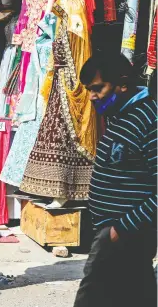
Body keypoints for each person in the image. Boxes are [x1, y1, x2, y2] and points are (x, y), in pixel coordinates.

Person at [73, 52, 157, 307]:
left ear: (122, 84)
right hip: (114, 231)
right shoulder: (122, 115)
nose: (92, 97)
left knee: (90, 298)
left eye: (98, 89)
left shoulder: (149, 120)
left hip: (127, 232)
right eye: (89, 90)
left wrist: (121, 228)